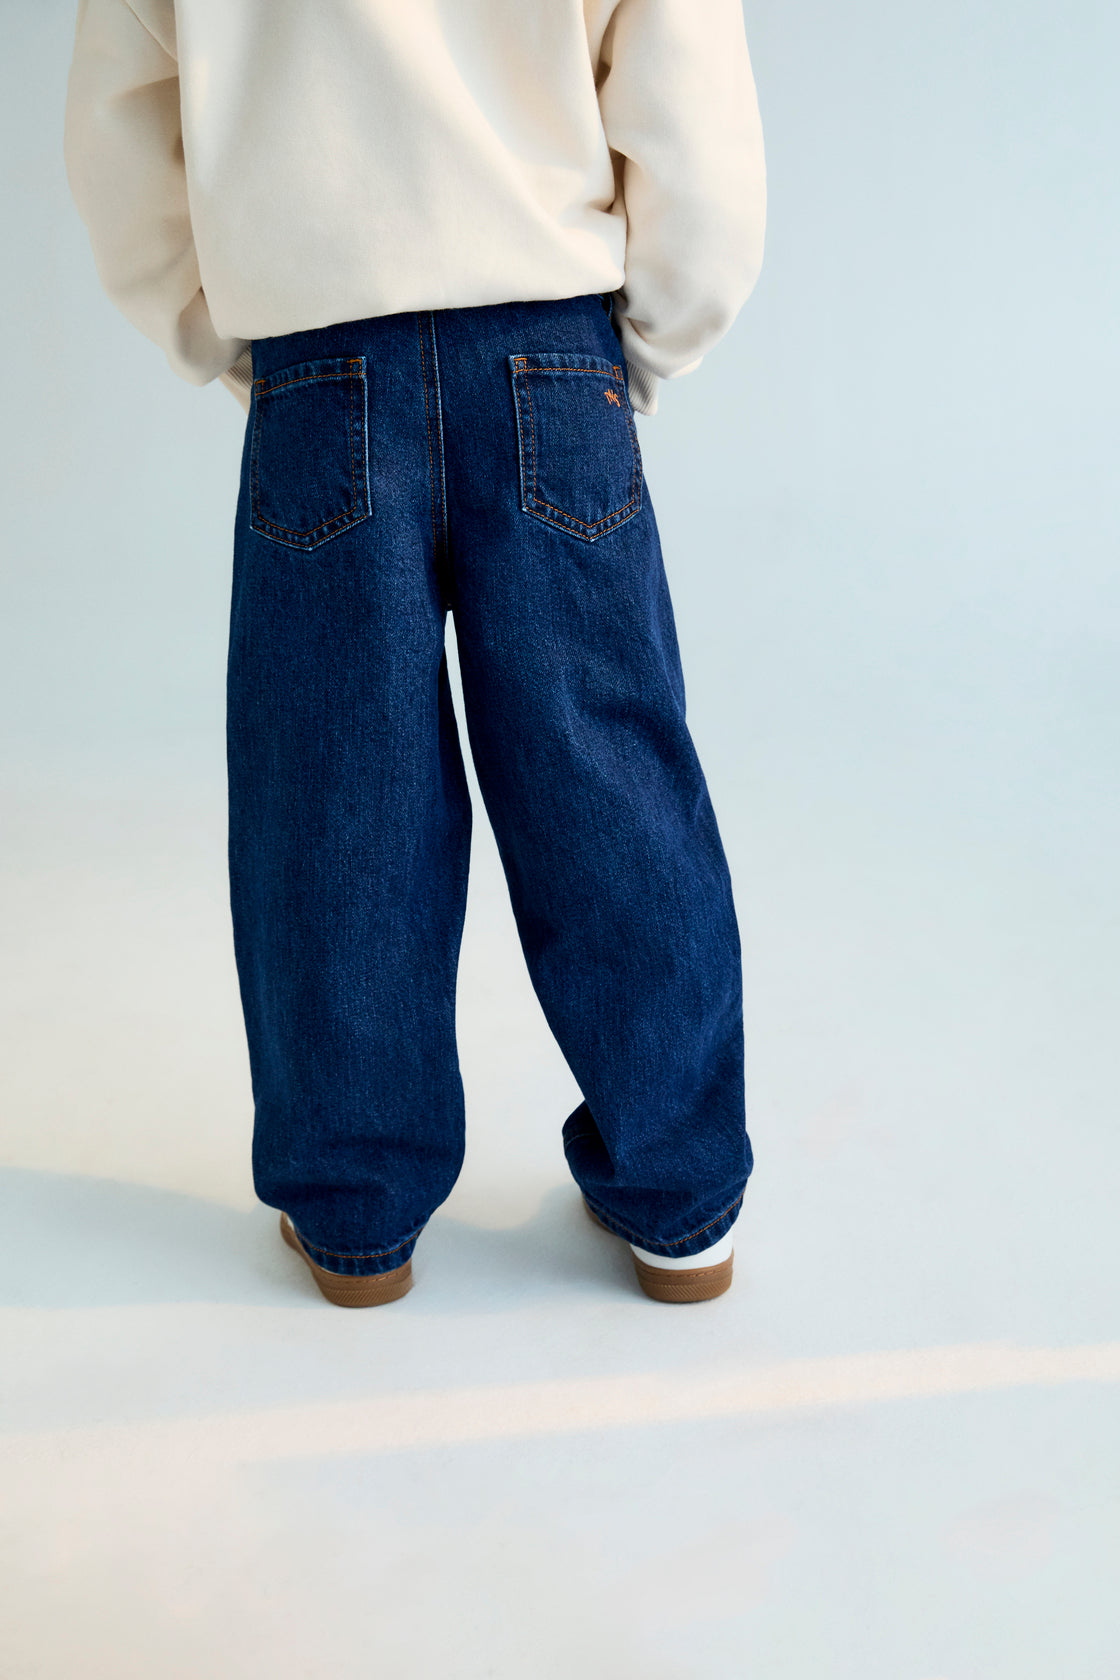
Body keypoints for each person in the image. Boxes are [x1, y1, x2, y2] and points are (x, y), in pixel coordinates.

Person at [63, 0, 767, 1306]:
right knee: (610, 789)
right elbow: (691, 108)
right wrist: (644, 340)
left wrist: (233, 335)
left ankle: (356, 1214)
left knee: (333, 801)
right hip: (554, 353)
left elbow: (120, 122)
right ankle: (682, 1205)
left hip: (320, 369)